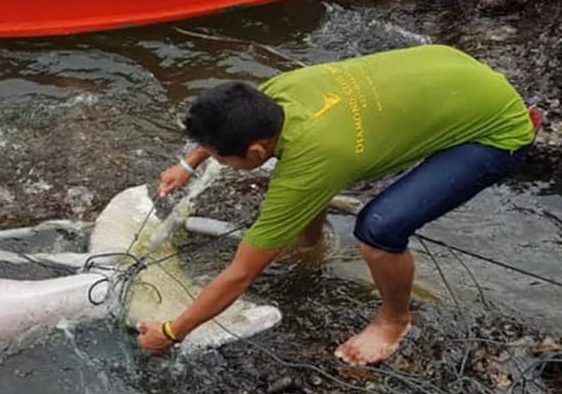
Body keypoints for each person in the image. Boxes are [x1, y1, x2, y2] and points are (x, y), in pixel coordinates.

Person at [136, 44, 542, 365]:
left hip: (496, 132)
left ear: (255, 150)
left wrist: (173, 332)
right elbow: (242, 137)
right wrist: (187, 165)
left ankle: (394, 320)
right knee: (302, 180)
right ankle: (312, 245)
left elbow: (242, 273)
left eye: (219, 156)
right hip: (453, 71)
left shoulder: (314, 158)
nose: (216, 159)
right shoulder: (277, 93)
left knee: (378, 229)